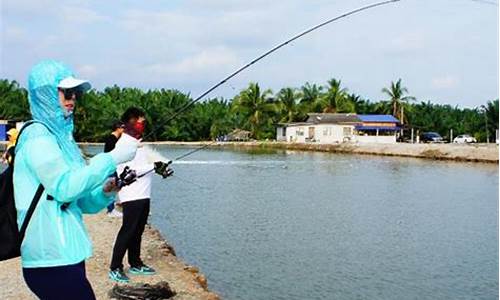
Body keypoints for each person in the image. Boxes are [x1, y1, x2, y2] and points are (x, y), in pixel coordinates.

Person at [13, 60, 138, 300]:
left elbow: (83, 203)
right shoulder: (38, 137)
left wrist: (105, 191)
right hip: (48, 259)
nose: (72, 99)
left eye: (75, 93)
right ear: (45, 94)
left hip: (68, 254)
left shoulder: (60, 140)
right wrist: (111, 159)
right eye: (66, 92)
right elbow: (64, 188)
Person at [108, 107, 172, 283]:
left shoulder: (138, 143)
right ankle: (115, 267)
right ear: (131, 122)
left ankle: (135, 263)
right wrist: (154, 166)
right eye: (140, 122)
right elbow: (127, 171)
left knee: (138, 231)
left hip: (144, 194)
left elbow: (143, 166)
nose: (143, 125)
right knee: (127, 231)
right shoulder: (123, 144)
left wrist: (159, 168)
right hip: (132, 195)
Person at [104, 121, 125, 217]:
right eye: (123, 128)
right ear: (118, 128)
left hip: (112, 166)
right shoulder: (112, 139)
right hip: (110, 167)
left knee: (117, 186)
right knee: (112, 187)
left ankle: (116, 205)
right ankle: (111, 210)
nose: (124, 130)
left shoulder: (115, 139)